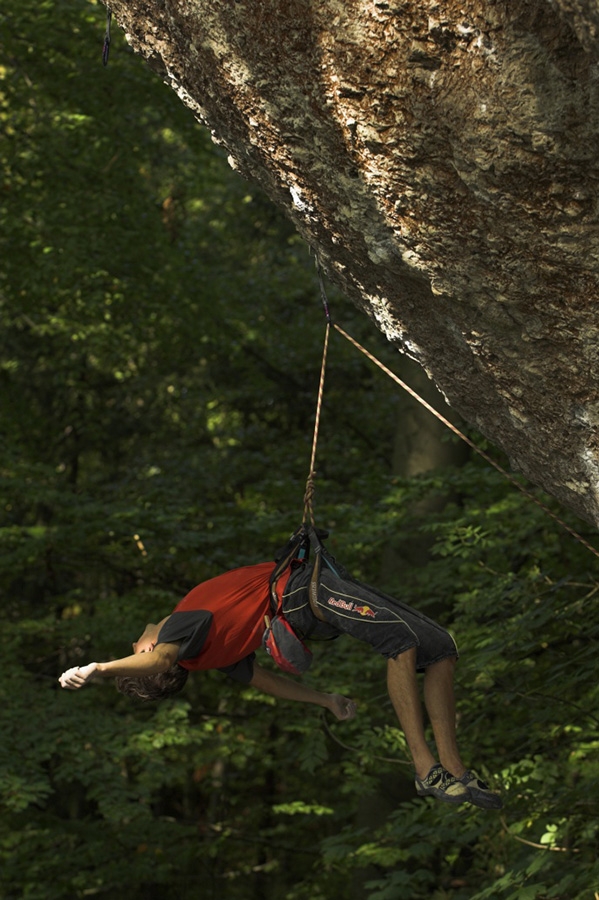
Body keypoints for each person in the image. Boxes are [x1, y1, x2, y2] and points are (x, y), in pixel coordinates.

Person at [59, 549, 502, 810]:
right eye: (135, 652)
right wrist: (100, 667)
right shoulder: (177, 633)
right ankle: (426, 769)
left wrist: (325, 699)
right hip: (303, 593)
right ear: (146, 653)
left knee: (439, 646)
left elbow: (267, 683)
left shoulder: (208, 656)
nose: (136, 642)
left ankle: (457, 770)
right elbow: (159, 662)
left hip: (309, 584)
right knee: (399, 644)